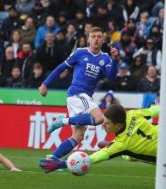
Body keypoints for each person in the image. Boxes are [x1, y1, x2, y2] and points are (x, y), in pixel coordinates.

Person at [40, 104, 166, 188]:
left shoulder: (122, 142)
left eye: (107, 123)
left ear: (117, 125)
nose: (104, 124)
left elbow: (92, 159)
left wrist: (63, 164)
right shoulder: (133, 114)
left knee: (130, 152)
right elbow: (156, 110)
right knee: (133, 153)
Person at [38, 27, 119, 162]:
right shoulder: (80, 53)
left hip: (85, 97)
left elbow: (111, 77)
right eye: (93, 36)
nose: (96, 39)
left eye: (99, 36)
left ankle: (53, 159)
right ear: (88, 39)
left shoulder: (105, 58)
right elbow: (61, 68)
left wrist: (115, 60)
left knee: (78, 136)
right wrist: (45, 84)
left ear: (103, 40)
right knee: (99, 119)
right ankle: (62, 121)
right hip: (77, 93)